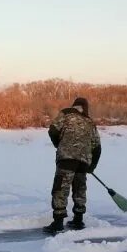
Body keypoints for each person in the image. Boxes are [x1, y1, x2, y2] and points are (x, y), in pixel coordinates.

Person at [43, 97, 102, 234]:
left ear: (74, 105)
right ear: (85, 107)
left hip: (67, 159)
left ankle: (58, 223)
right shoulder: (90, 122)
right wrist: (91, 166)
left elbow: (52, 130)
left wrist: (60, 145)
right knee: (79, 189)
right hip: (83, 162)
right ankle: (78, 220)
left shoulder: (65, 113)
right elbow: (97, 147)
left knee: (60, 188)